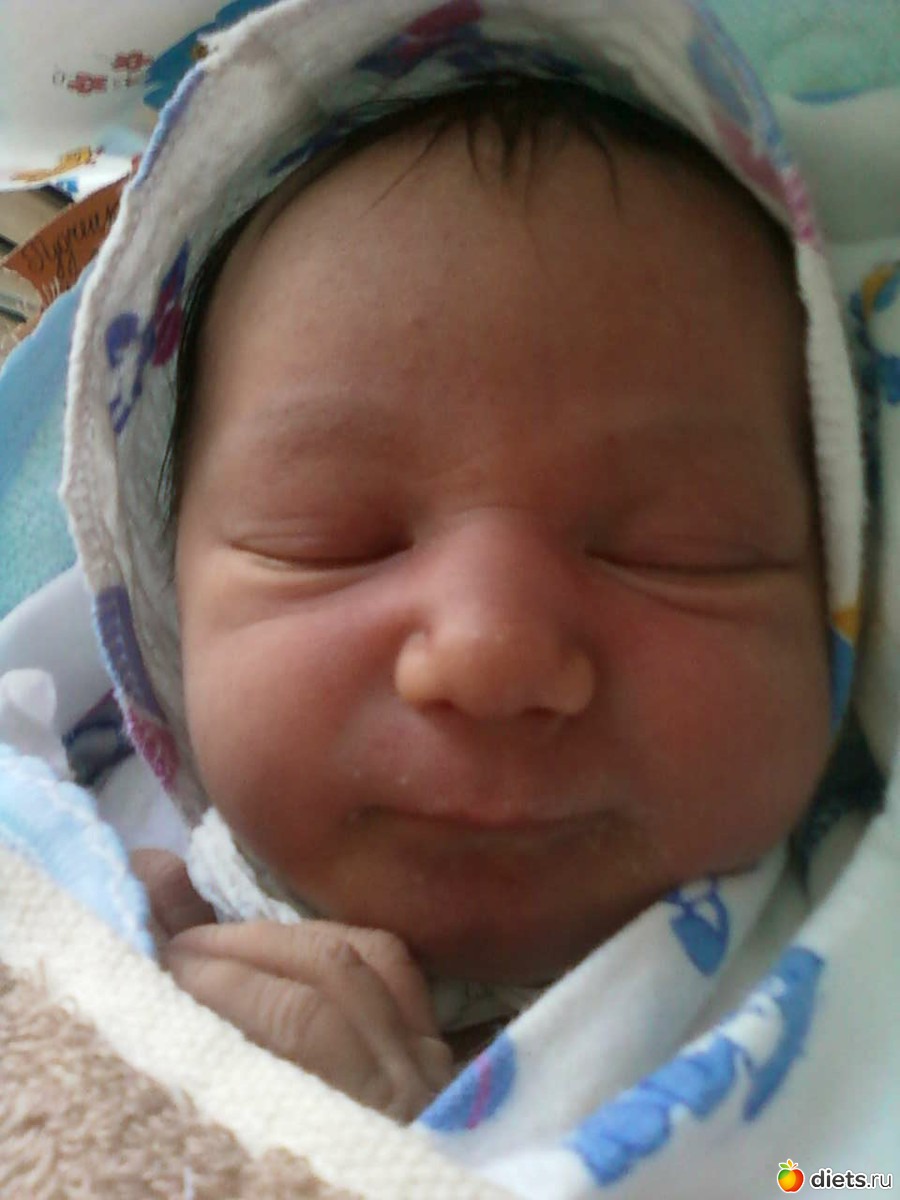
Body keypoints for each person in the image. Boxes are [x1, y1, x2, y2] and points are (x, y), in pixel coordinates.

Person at [60, 0, 897, 1191]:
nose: (491, 652)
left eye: (679, 549)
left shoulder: (856, 1023)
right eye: (332, 537)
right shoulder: (71, 867)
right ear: (161, 607)